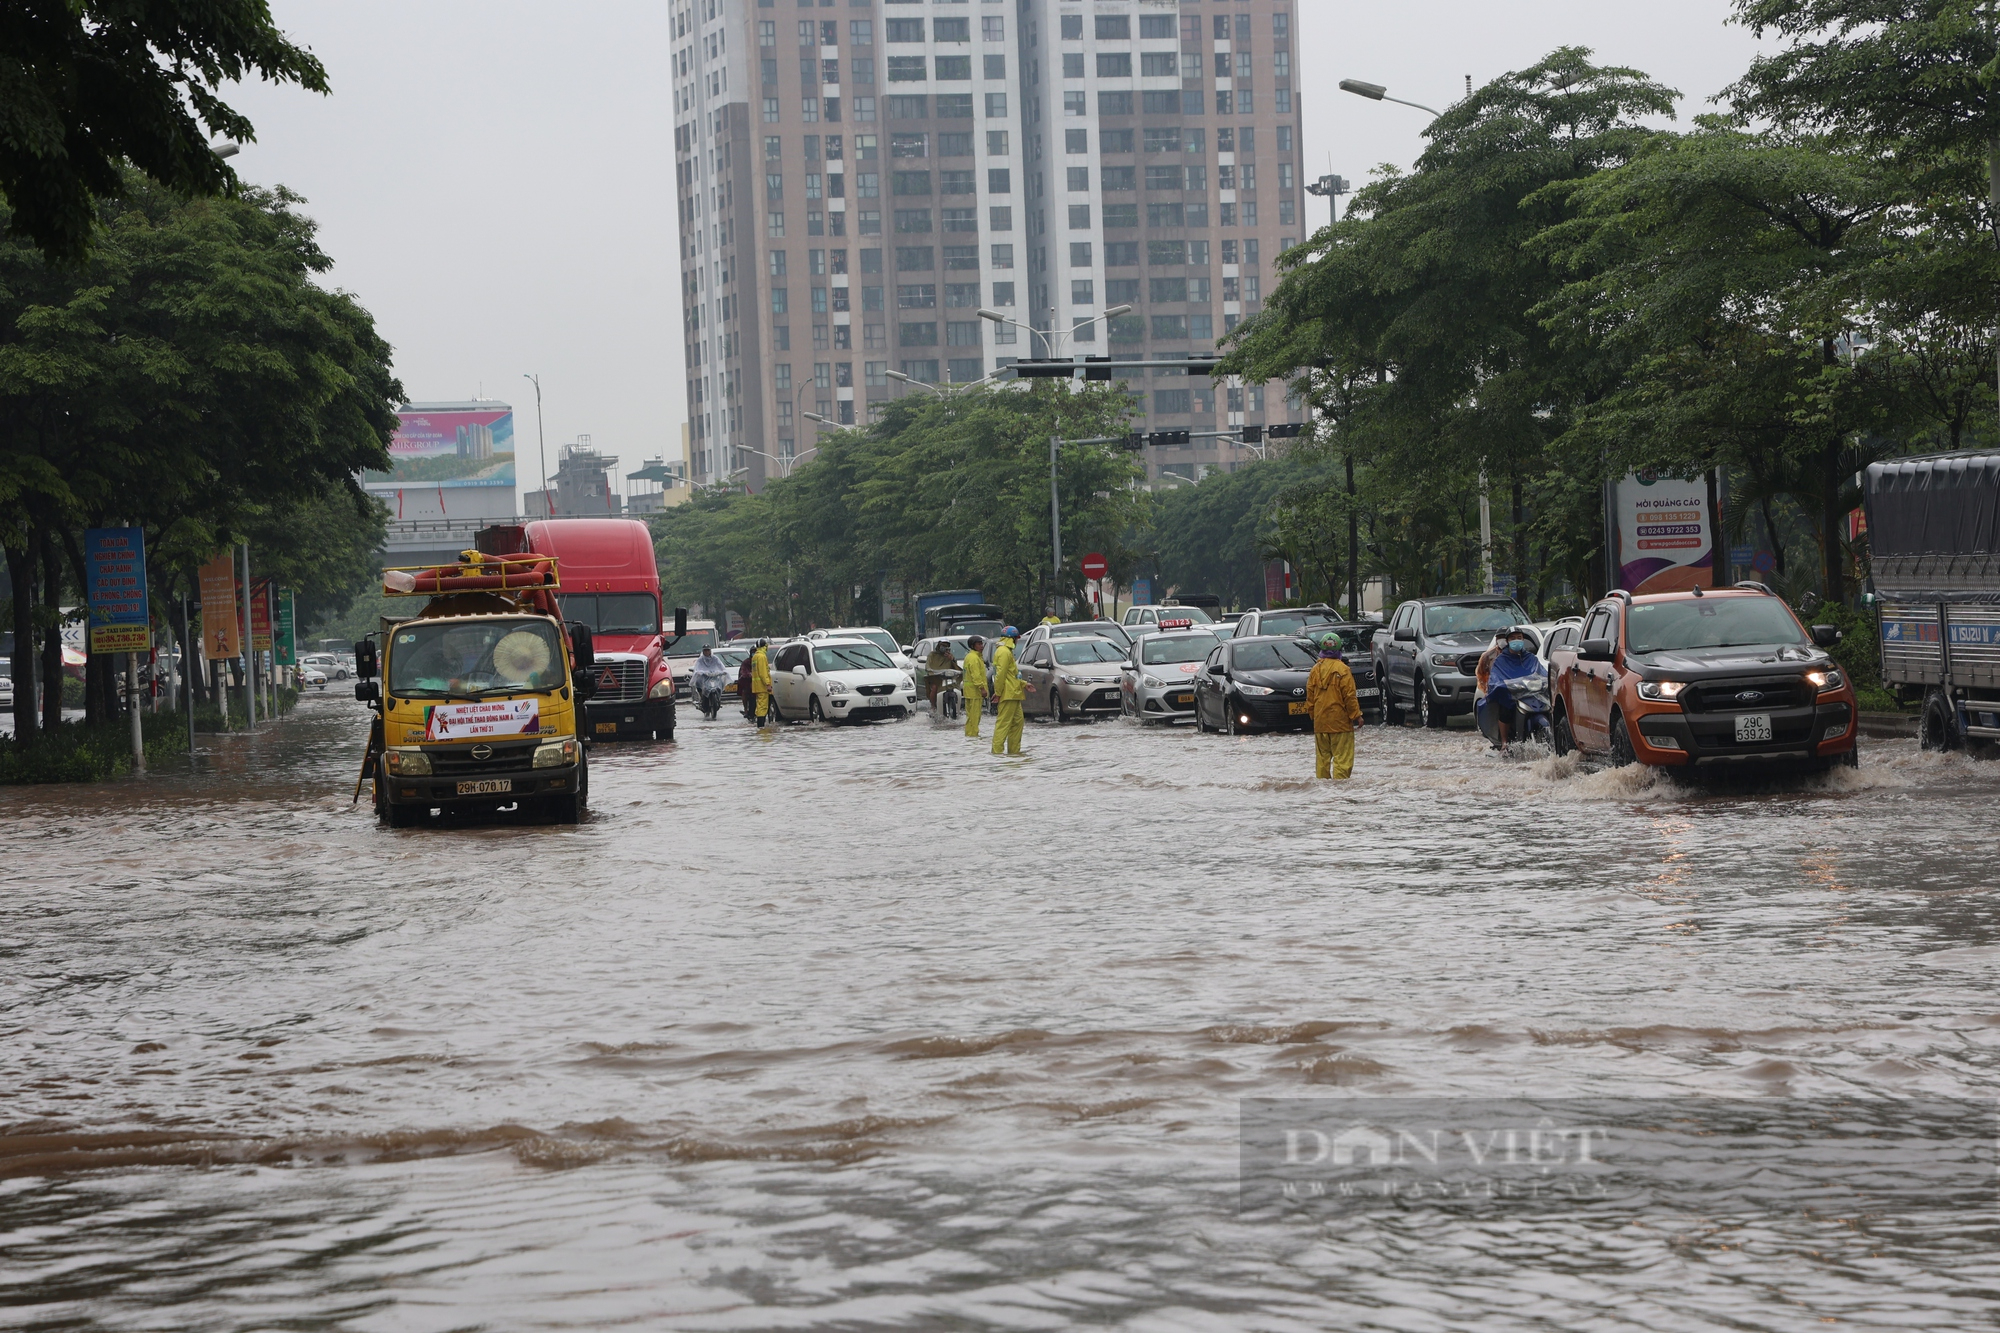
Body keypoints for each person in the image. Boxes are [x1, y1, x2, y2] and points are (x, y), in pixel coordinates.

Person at [1306, 633, 1364, 779]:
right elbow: (1349, 696)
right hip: (1340, 724)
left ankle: (1324, 794)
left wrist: (1314, 716)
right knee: (1342, 761)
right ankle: (1339, 796)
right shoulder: (1343, 669)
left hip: (1320, 724)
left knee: (1322, 762)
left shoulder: (1315, 670)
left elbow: (1310, 697)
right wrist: (1356, 716)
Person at [1483, 628, 1540, 750]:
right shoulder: (1500, 660)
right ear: (1508, 641)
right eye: (1513, 638)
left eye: (1519, 638)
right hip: (1511, 695)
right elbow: (1495, 678)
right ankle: (1504, 743)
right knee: (1506, 711)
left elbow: (1541, 673)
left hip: (1530, 694)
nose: (1516, 641)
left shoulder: (1531, 658)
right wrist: (1501, 686)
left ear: (1523, 639)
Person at [990, 626, 1025, 755]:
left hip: (1014, 694)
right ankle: (997, 753)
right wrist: (998, 693)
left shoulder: (1006, 651)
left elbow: (1012, 674)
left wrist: (1024, 684)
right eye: (1017, 639)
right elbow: (1000, 674)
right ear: (1013, 638)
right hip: (1008, 694)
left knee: (1017, 723)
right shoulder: (1004, 652)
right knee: (1003, 725)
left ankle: (1014, 753)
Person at [961, 635, 988, 738]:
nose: (982, 646)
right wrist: (982, 688)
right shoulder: (974, 658)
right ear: (973, 646)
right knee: (975, 717)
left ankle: (969, 737)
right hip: (975, 692)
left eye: (982, 644)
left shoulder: (970, 656)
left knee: (970, 717)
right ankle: (974, 737)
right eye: (979, 644)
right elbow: (976, 675)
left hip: (969, 692)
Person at [689, 647, 730, 713]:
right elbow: (697, 667)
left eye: (708, 650)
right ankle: (701, 698)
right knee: (698, 682)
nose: (707, 652)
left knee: (721, 682)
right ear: (703, 651)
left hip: (714, 677)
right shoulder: (700, 659)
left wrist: (724, 671)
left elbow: (721, 665)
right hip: (704, 677)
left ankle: (718, 698)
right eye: (705, 650)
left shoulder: (715, 658)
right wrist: (698, 672)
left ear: (710, 651)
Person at [924, 640, 957, 707]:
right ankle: (933, 706)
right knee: (934, 688)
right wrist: (930, 670)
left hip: (946, 678)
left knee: (954, 687)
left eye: (946, 646)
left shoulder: (950, 656)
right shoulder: (932, 655)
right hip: (935, 677)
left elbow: (955, 667)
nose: (944, 647)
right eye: (943, 645)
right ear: (939, 645)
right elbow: (927, 665)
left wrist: (952, 659)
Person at [749, 638, 773, 728]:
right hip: (762, 687)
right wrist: (768, 684)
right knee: (762, 708)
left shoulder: (755, 656)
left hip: (757, 686)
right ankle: (761, 727)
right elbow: (763, 673)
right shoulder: (762, 657)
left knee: (759, 707)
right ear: (764, 646)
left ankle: (760, 727)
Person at [737, 650, 756, 719]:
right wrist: (749, 675)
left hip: (757, 683)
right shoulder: (746, 662)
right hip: (747, 682)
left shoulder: (759, 661)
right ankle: (745, 709)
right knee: (744, 692)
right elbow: (744, 671)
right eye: (753, 652)